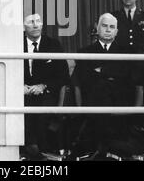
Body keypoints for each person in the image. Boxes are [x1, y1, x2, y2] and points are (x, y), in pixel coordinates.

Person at [71, 13, 136, 155]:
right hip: (93, 99)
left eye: (112, 27)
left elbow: (126, 76)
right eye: (104, 26)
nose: (108, 30)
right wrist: (111, 74)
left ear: (116, 31)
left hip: (119, 98)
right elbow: (84, 78)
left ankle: (99, 146)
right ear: (97, 28)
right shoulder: (84, 52)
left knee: (102, 87)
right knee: (100, 89)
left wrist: (101, 70)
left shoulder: (127, 52)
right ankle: (105, 146)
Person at [22, 13, 69, 159]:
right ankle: (27, 150)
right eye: (31, 22)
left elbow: (63, 75)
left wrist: (43, 86)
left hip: (46, 92)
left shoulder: (53, 44)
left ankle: (40, 151)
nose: (35, 25)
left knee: (42, 111)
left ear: (42, 25)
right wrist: (18, 86)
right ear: (24, 26)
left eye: (38, 21)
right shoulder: (15, 43)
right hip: (20, 92)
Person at [112, 0, 144, 106]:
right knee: (121, 96)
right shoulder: (114, 17)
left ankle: (139, 120)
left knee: (141, 92)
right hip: (120, 63)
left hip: (141, 64)